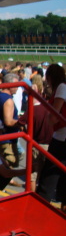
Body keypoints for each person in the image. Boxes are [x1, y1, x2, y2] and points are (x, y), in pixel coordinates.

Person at [36, 64, 66, 212]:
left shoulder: (61, 87)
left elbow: (54, 116)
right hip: (62, 136)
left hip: (61, 137)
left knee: (49, 177)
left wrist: (49, 116)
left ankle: (39, 211)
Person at [0, 73, 22, 168]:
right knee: (9, 164)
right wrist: (22, 122)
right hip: (7, 139)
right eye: (16, 85)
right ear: (9, 85)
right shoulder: (8, 100)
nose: (18, 87)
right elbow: (8, 121)